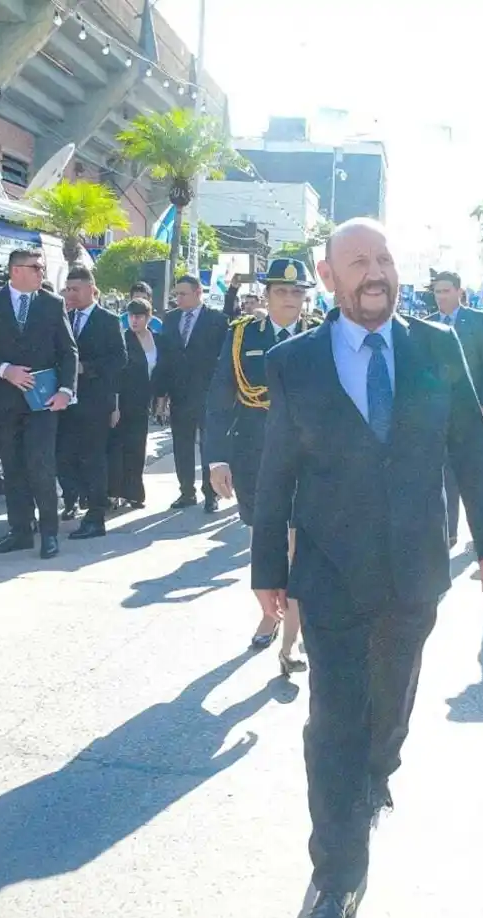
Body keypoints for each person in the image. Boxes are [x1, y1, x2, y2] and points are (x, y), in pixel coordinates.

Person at [250, 219, 483, 918]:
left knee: (387, 714)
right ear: (329, 278)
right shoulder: (294, 360)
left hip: (415, 569)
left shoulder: (435, 345)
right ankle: (337, 876)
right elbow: (277, 471)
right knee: (334, 720)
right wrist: (267, 569)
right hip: (330, 573)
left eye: (385, 259)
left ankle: (377, 768)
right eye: (358, 261)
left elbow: (470, 449)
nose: (376, 272)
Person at [206, 258, 317, 675]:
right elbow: (220, 398)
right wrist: (217, 459)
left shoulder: (321, 335)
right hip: (256, 455)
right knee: (264, 540)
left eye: (297, 292)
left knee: (297, 546)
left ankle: (291, 638)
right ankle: (270, 612)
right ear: (267, 296)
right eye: (281, 291)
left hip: (308, 459)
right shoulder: (242, 337)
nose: (290, 299)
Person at [0, 247, 77, 559]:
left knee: (41, 467)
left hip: (42, 403)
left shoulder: (52, 304)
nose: (42, 273)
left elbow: (68, 351)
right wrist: (5, 371)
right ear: (17, 271)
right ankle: (19, 532)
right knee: (12, 468)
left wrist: (66, 390)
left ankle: (49, 534)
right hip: (4, 401)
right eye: (37, 267)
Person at [429, 270, 483, 546]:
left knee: (471, 469)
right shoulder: (427, 325)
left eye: (446, 291)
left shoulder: (479, 321)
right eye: (437, 292)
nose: (441, 297)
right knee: (442, 469)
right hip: (437, 411)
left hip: (471, 408)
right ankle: (449, 530)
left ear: (459, 292)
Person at [57, 268, 126, 541]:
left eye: (75, 289)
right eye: (67, 289)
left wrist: (86, 369)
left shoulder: (107, 320)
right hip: (65, 400)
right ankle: (76, 497)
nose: (70, 294)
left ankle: (97, 515)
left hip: (94, 402)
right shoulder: (63, 318)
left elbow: (119, 359)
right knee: (63, 456)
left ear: (91, 290)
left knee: (93, 458)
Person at [154, 275, 230, 513]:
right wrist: (160, 395)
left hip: (208, 394)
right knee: (182, 444)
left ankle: (211, 494)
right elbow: (164, 358)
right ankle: (186, 491)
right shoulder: (171, 319)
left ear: (198, 293)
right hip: (180, 393)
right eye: (176, 294)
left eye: (183, 294)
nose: (178, 298)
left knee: (208, 444)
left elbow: (224, 361)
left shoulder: (217, 320)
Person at [108, 300, 159, 511]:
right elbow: (116, 375)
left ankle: (134, 493)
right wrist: (115, 405)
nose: (134, 320)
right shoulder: (123, 339)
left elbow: (161, 371)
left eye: (139, 316)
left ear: (148, 317)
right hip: (123, 400)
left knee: (137, 448)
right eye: (131, 316)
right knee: (117, 448)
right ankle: (113, 492)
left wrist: (160, 400)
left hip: (143, 402)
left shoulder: (157, 339)